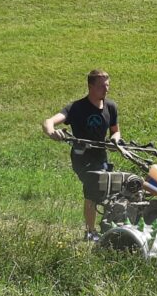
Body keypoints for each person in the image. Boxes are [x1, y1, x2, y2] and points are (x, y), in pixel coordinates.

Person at [43, 69, 121, 241]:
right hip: (82, 158)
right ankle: (90, 232)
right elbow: (48, 122)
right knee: (93, 187)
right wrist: (52, 132)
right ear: (90, 86)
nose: (106, 90)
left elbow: (115, 131)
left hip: (101, 157)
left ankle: (109, 228)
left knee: (112, 191)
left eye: (107, 86)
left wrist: (115, 140)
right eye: (101, 86)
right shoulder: (76, 108)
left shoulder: (111, 106)